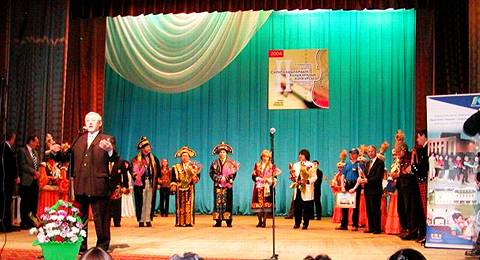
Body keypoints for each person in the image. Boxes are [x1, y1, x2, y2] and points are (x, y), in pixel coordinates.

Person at [71, 112, 117, 253]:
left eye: (93, 120)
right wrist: (55, 153)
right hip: (81, 184)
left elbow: (115, 156)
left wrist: (110, 150)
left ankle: (102, 246)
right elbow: (69, 156)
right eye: (87, 120)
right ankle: (81, 245)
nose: (90, 122)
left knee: (101, 217)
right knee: (80, 218)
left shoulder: (107, 138)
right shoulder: (79, 139)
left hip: (98, 185)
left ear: (100, 123)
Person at [209, 142, 239, 227]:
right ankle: (218, 221)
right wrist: (218, 178)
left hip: (227, 186)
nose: (222, 154)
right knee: (217, 203)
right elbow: (211, 173)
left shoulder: (231, 163)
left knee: (228, 203)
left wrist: (228, 179)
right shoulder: (214, 163)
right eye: (220, 152)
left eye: (224, 152)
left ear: (226, 153)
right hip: (218, 185)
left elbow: (233, 173)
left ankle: (228, 221)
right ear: (218, 154)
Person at [131, 136, 159, 227]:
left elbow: (157, 171)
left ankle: (148, 219)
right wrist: (136, 176)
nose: (149, 148)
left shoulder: (154, 159)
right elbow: (132, 170)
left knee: (149, 201)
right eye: (147, 147)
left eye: (149, 147)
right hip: (141, 183)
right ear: (142, 148)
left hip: (151, 182)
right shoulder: (136, 159)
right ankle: (141, 220)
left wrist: (158, 181)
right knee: (141, 201)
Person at [171, 146, 201, 227]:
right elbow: (173, 178)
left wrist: (194, 178)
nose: (185, 157)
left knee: (189, 204)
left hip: (189, 188)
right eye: (183, 156)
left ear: (189, 157)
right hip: (179, 187)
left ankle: (188, 222)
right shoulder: (176, 167)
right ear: (181, 157)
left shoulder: (193, 166)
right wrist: (173, 185)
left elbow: (197, 177)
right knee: (179, 205)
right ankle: (180, 222)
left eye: (186, 156)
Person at [251, 149, 280, 228]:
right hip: (259, 187)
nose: (265, 158)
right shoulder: (257, 165)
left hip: (268, 187)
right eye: (263, 156)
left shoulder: (272, 166)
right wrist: (257, 178)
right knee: (258, 205)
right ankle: (260, 221)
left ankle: (264, 221)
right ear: (261, 157)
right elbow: (253, 175)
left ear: (269, 158)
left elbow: (275, 177)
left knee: (266, 205)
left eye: (266, 156)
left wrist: (269, 180)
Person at [336, 148, 364, 231]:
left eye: (354, 153)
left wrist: (355, 188)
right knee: (344, 205)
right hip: (347, 185)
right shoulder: (347, 164)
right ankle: (344, 224)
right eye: (351, 153)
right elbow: (343, 176)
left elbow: (360, 177)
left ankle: (355, 225)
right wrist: (343, 186)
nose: (352, 155)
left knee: (355, 206)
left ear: (357, 155)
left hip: (355, 185)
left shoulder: (360, 164)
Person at [288, 149, 317, 229]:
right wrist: (293, 178)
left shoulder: (311, 165)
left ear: (306, 155)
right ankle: (297, 223)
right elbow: (294, 174)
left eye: (302, 154)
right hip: (298, 188)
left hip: (306, 188)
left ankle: (305, 223)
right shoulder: (296, 165)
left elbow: (315, 177)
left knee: (306, 207)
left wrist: (307, 181)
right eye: (299, 154)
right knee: (297, 206)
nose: (300, 156)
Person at [17, 135, 40, 229]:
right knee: (25, 202)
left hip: (35, 181)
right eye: (36, 142)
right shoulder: (22, 151)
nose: (37, 144)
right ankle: (24, 222)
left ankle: (31, 221)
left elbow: (36, 166)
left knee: (33, 202)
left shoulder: (35, 152)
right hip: (26, 181)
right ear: (31, 141)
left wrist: (37, 173)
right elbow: (23, 165)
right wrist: (34, 172)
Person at [362, 145, 385, 234]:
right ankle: (371, 227)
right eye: (369, 152)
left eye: (372, 151)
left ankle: (377, 228)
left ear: (375, 152)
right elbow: (365, 174)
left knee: (375, 209)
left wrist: (367, 180)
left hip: (376, 189)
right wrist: (362, 179)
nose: (370, 153)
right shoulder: (367, 163)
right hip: (368, 189)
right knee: (369, 209)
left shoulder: (380, 162)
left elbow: (378, 176)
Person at [411, 129, 428, 242]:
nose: (417, 140)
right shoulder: (423, 150)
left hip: (424, 181)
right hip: (421, 181)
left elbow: (423, 167)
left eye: (418, 137)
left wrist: (413, 167)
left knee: (425, 209)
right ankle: (422, 233)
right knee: (421, 209)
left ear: (423, 136)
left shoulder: (427, 149)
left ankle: (426, 234)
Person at [0, 131, 19, 232]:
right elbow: (11, 166)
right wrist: (16, 176)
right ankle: (5, 226)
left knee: (5, 203)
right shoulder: (6, 149)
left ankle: (5, 224)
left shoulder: (2, 147)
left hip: (4, 180)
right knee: (6, 203)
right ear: (11, 139)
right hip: (6, 181)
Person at [109, 159, 129, 227]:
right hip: (106, 187)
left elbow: (125, 174)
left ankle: (117, 221)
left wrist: (125, 186)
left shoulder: (120, 162)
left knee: (117, 205)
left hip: (117, 187)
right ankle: (106, 222)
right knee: (106, 205)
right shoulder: (103, 160)